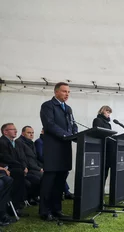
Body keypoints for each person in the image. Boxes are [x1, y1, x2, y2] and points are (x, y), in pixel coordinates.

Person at [39, 82, 78, 221]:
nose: (67, 94)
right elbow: (49, 125)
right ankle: (45, 211)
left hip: (65, 149)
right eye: (64, 91)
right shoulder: (47, 106)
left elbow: (73, 124)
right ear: (56, 92)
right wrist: (67, 135)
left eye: (68, 92)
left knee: (60, 182)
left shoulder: (68, 108)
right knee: (49, 182)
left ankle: (57, 209)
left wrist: (75, 134)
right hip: (53, 149)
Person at [35, 129, 74, 200]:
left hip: (51, 163)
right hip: (43, 164)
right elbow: (40, 156)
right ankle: (65, 192)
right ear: (43, 131)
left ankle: (63, 192)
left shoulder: (50, 141)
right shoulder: (39, 142)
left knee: (62, 172)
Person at [16, 126, 42, 204]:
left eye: (32, 133)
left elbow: (35, 158)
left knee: (46, 174)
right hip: (27, 169)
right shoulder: (19, 142)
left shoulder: (31, 142)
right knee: (39, 177)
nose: (31, 135)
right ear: (23, 133)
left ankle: (35, 196)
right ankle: (31, 197)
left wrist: (41, 167)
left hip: (34, 167)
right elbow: (23, 158)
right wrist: (39, 168)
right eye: (29, 133)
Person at [92, 105, 112, 181]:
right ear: (102, 111)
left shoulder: (108, 124)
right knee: (100, 174)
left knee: (105, 173)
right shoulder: (97, 120)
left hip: (108, 150)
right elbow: (97, 134)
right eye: (107, 111)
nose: (109, 114)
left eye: (109, 112)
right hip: (100, 150)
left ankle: (101, 190)